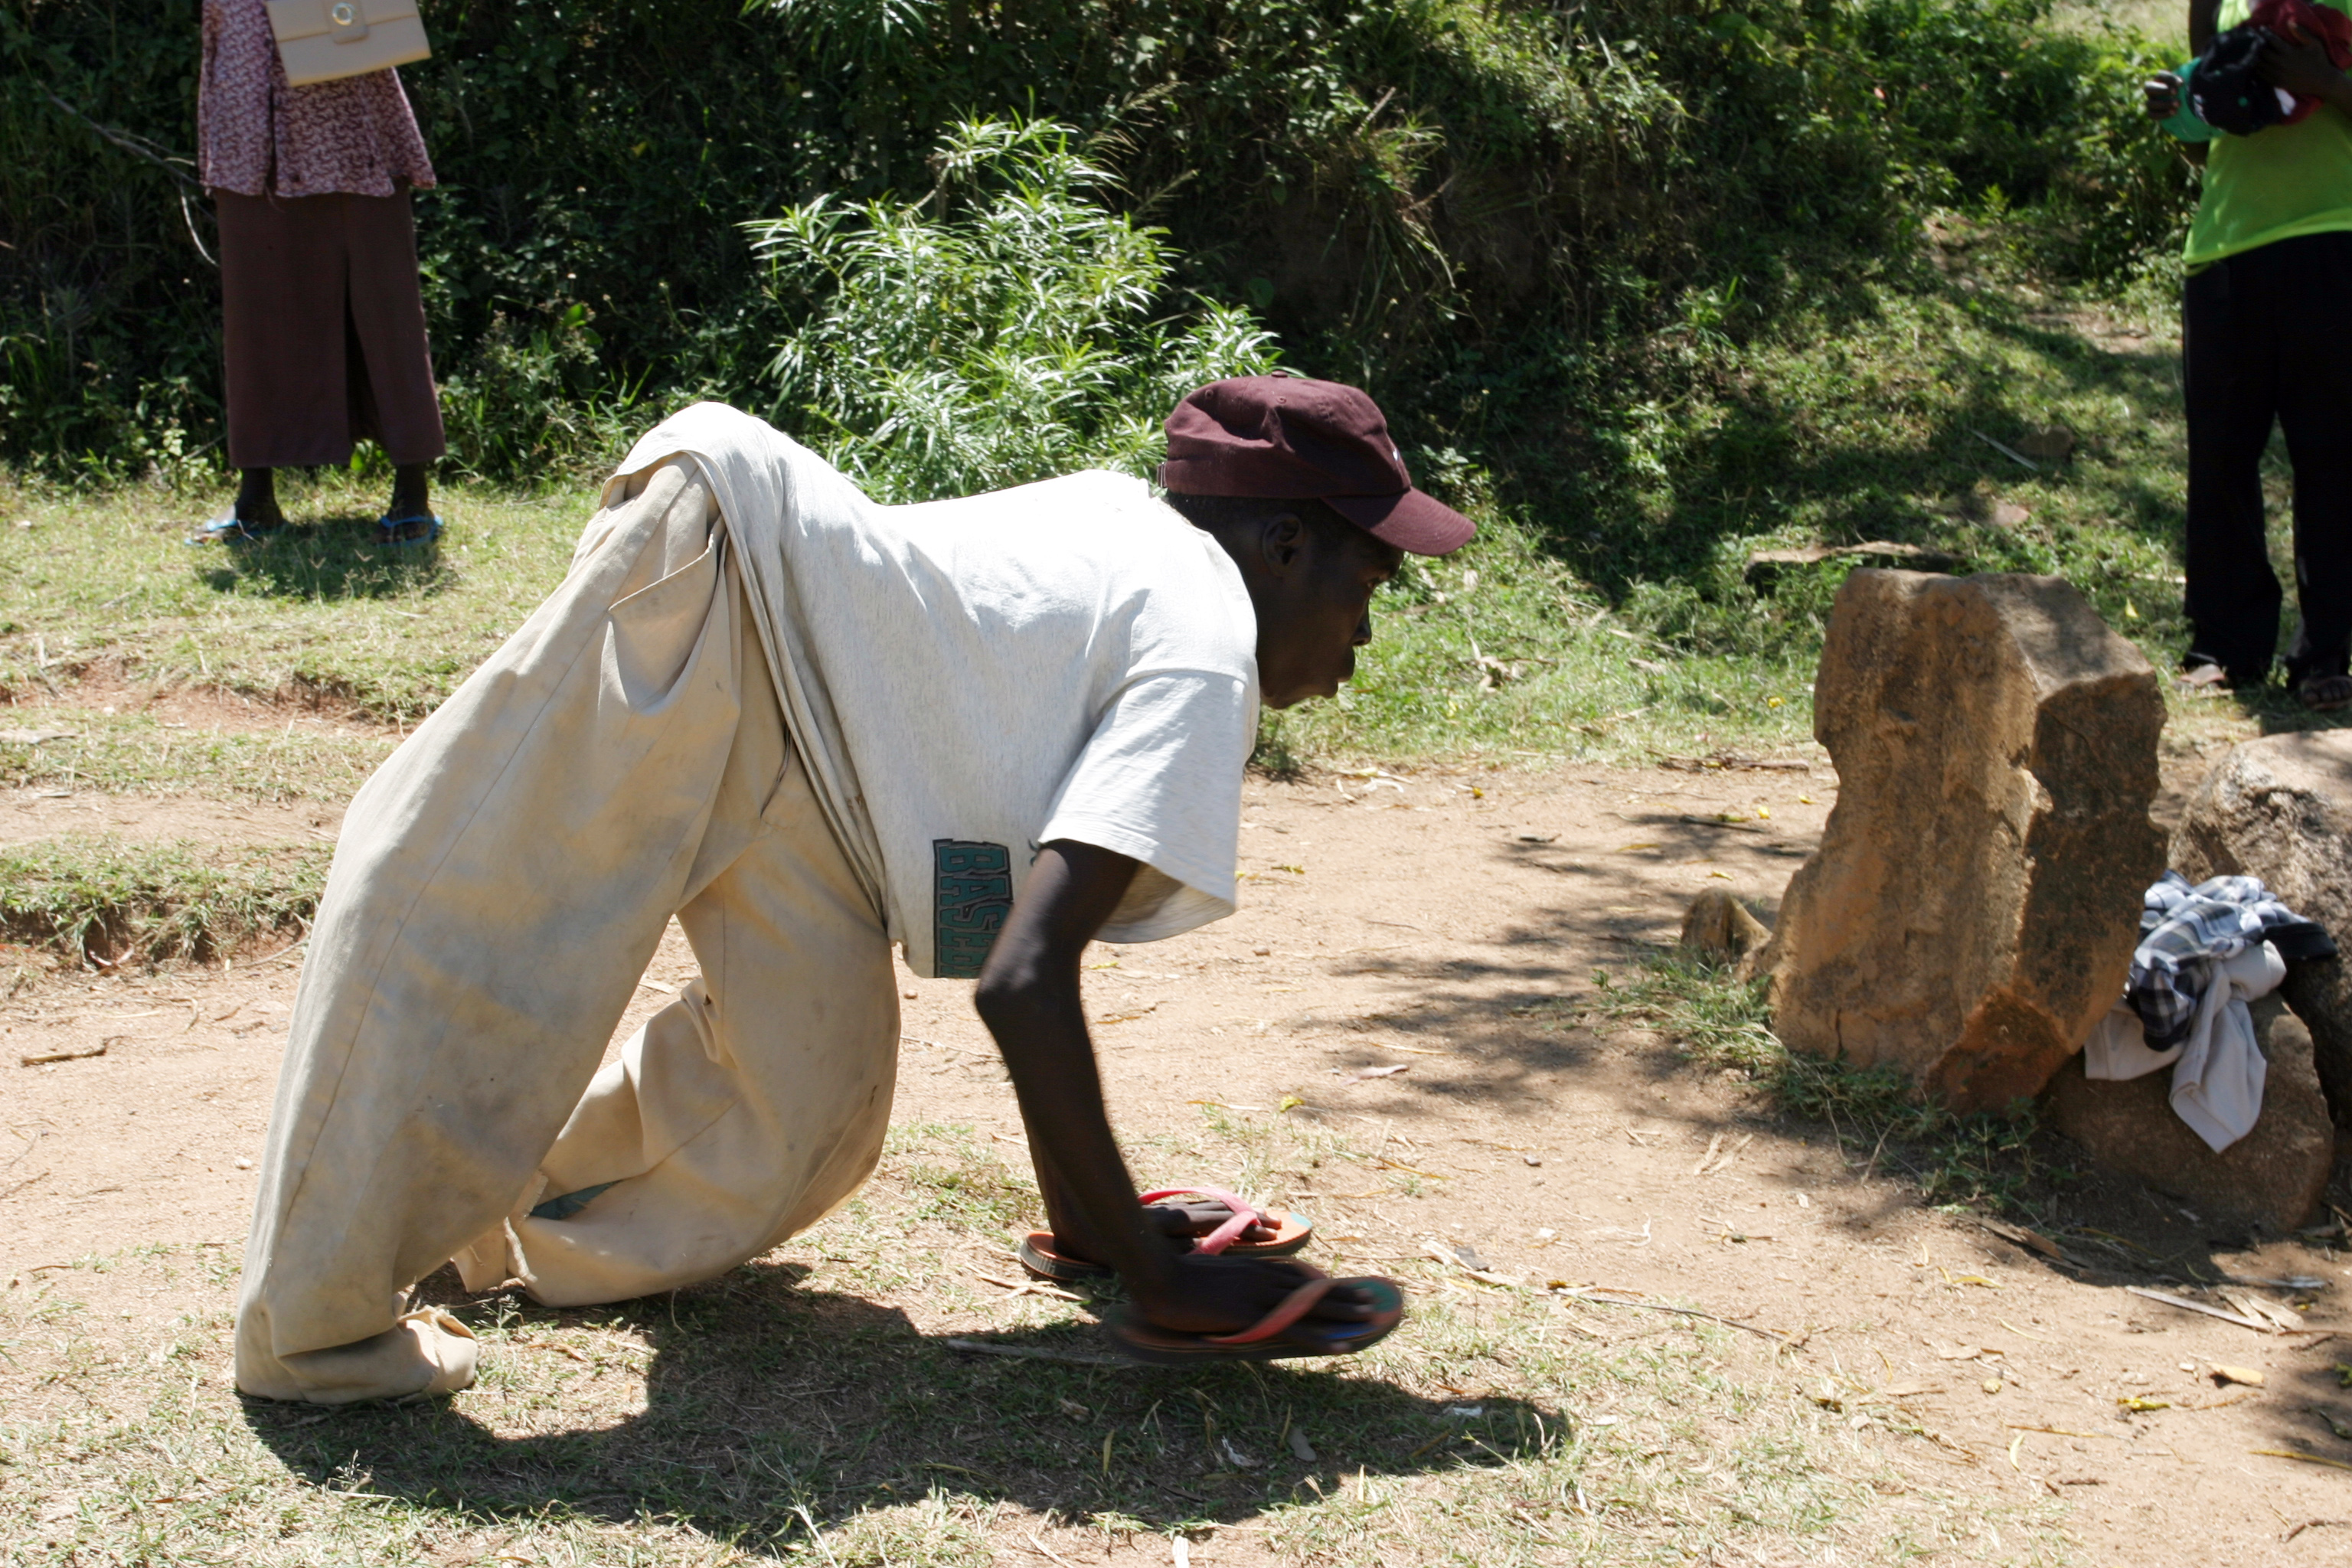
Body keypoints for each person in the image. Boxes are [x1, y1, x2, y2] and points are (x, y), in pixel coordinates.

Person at [232, 375, 1472, 1402]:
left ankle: (484, 1234)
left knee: (810, 1114)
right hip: (722, 573)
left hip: (819, 777)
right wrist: (1164, 1285)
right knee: (478, 927)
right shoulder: (1204, 647)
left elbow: (1036, 935)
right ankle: (310, 1336)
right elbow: (1024, 981)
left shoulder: (1133, 542)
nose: (1364, 637)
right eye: (1367, 586)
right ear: (1285, 544)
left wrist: (1102, 1232)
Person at [2145, 0, 2352, 710]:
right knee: (2221, 455)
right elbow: (2211, 133)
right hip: (2226, 246)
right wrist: (2178, 109)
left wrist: (2328, 83)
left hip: (2337, 239)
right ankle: (2224, 647)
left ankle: (2325, 651)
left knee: (2332, 455)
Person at [191, 0, 447, 547]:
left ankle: (412, 497)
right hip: (249, 145)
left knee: (384, 313)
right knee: (256, 318)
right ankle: (255, 501)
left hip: (350, 137)